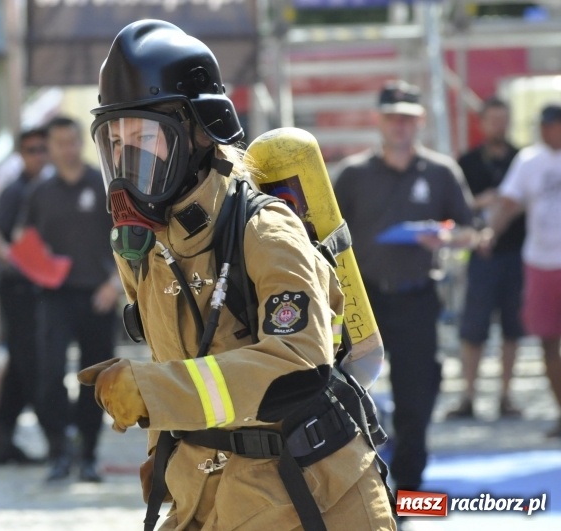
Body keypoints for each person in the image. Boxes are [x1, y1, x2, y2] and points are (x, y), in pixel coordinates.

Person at [77, 20, 396, 530]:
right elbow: (184, 360)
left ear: (198, 135)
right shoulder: (146, 248)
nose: (126, 164)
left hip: (308, 499)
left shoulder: (266, 232)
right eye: (115, 143)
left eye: (144, 140)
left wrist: (154, 390)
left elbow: (297, 366)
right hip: (204, 497)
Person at [332, 80, 474, 494]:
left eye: (407, 119)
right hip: (364, 300)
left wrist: (446, 238)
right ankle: (357, 490)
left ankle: (411, 493)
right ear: (378, 120)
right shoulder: (353, 174)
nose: (400, 126)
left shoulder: (442, 171)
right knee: (347, 393)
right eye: (392, 117)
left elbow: (472, 231)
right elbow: (324, 231)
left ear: (420, 122)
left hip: (417, 297)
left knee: (417, 398)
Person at [22, 116, 122, 483]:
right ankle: (59, 451)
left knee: (95, 380)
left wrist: (115, 284)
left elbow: (127, 241)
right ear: (50, 147)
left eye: (72, 141)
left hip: (98, 294)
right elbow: (26, 240)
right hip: (54, 296)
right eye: (59, 142)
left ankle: (89, 454)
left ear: (82, 143)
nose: (67, 149)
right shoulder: (40, 192)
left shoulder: (103, 185)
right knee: (49, 375)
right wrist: (36, 266)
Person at [483, 103, 561, 437]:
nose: (550, 131)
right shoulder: (530, 160)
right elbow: (509, 203)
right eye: (546, 126)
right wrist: (491, 233)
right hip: (541, 262)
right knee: (547, 341)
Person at [447, 97, 525, 420]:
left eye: (503, 119)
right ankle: (468, 396)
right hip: (480, 256)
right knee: (473, 328)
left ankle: (506, 395)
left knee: (513, 328)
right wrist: (482, 203)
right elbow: (456, 209)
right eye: (493, 119)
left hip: (517, 254)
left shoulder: (522, 159)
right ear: (482, 122)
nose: (499, 126)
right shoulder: (466, 162)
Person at [0, 126, 49, 465]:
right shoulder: (15, 190)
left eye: (43, 148)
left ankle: (4, 437)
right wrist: (16, 258)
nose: (38, 155)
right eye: (31, 149)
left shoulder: (53, 186)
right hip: (19, 288)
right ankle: (54, 434)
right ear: (22, 154)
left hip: (46, 288)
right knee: (29, 363)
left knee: (22, 365)